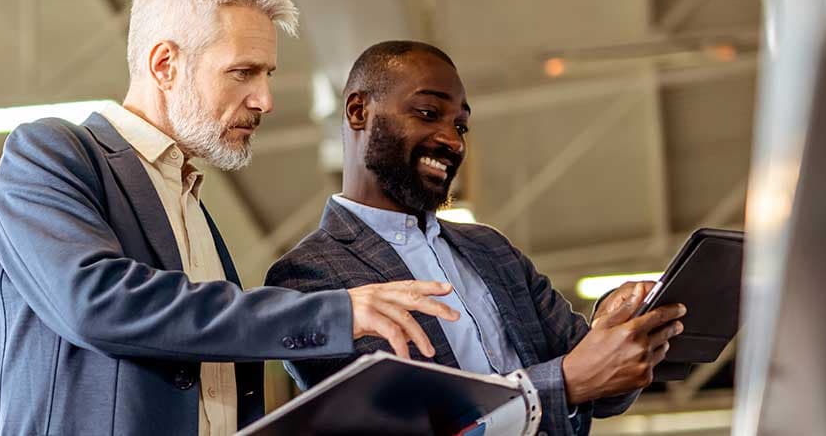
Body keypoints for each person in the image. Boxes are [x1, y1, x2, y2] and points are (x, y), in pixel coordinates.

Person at [0, 0, 464, 435]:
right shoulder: (50, 154)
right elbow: (97, 302)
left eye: (267, 74)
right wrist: (333, 314)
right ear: (164, 65)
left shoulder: (191, 203)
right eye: (243, 72)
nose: (265, 100)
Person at [264, 40, 687, 436]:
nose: (451, 140)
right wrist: (562, 382)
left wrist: (616, 334)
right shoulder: (307, 277)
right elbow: (394, 425)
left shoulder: (492, 251)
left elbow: (597, 384)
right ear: (359, 111)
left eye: (461, 126)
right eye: (429, 113)